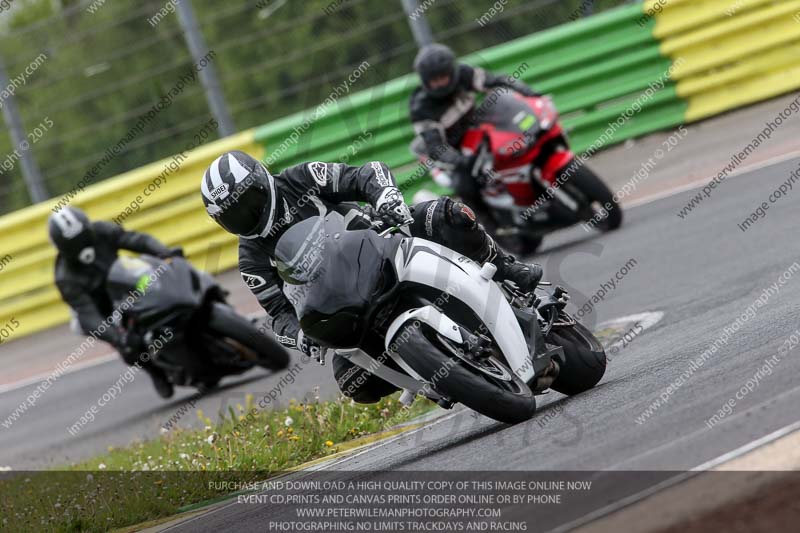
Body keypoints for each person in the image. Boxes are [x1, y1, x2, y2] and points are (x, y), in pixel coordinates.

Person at [200, 150, 543, 404]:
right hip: (345, 303)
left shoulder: (299, 179)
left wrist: (386, 198)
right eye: (234, 216)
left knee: (447, 214)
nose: (247, 216)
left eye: (249, 202)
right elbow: (278, 316)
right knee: (353, 382)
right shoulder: (251, 260)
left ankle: (509, 268)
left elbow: (363, 174)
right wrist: (300, 336)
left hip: (383, 246)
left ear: (263, 180)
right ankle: (431, 373)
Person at [48, 206, 182, 398]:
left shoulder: (102, 230)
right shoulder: (65, 277)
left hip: (126, 282)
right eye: (74, 245)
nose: (83, 247)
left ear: (89, 229)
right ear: (63, 248)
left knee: (166, 283)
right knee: (128, 346)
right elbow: (87, 314)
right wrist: (117, 337)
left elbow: (136, 240)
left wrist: (164, 253)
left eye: (85, 238)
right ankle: (155, 372)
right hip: (104, 309)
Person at [409, 43, 541, 220]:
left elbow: (497, 81)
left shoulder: (464, 74)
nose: (440, 83)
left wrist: (528, 93)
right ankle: (485, 225)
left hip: (474, 130)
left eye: (443, 76)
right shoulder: (421, 107)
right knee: (466, 183)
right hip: (450, 149)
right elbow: (435, 146)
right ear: (425, 80)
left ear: (451, 71)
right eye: (435, 79)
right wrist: (459, 160)